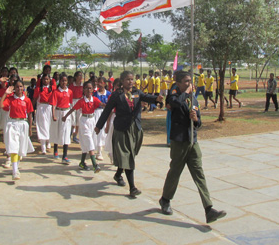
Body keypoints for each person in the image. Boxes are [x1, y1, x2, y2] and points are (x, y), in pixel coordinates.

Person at [158, 71, 227, 223]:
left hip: (192, 141)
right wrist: (186, 94)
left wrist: (195, 119)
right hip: (179, 141)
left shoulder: (193, 99)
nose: (189, 84)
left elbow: (199, 123)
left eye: (190, 81)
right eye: (186, 81)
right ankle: (165, 199)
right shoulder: (174, 96)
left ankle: (209, 209)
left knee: (199, 174)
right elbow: (175, 104)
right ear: (178, 83)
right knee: (175, 172)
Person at [95, 71, 163, 197]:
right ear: (122, 81)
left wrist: (157, 99)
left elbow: (147, 97)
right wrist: (99, 126)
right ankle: (132, 188)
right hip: (122, 129)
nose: (130, 81)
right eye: (127, 79)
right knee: (127, 156)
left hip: (135, 128)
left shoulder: (137, 92)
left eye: (132, 79)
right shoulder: (117, 95)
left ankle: (117, 174)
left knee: (129, 155)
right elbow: (107, 110)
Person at [62, 81, 105, 173]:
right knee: (89, 141)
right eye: (86, 88)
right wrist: (65, 116)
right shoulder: (81, 101)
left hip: (92, 120)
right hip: (84, 121)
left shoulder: (94, 99)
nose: (88, 90)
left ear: (93, 90)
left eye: (90, 88)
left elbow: (102, 104)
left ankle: (82, 162)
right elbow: (73, 109)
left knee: (88, 142)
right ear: (83, 90)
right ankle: (95, 165)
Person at [0, 79, 34, 181]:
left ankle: (16, 167)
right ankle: (14, 171)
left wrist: (30, 128)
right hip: (12, 124)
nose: (19, 88)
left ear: (23, 88)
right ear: (14, 88)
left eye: (21, 86)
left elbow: (30, 114)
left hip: (23, 124)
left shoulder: (27, 100)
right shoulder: (10, 99)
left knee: (20, 149)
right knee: (13, 147)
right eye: (17, 87)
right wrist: (5, 94)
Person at [50, 74, 73, 164]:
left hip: (66, 113)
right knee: (57, 131)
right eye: (62, 81)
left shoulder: (70, 92)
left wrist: (69, 115)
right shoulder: (56, 92)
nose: (64, 82)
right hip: (58, 112)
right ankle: (55, 149)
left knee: (66, 133)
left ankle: (65, 155)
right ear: (59, 81)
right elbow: (53, 104)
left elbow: (70, 104)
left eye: (65, 81)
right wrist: (53, 115)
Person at [33, 73, 54, 154]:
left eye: (47, 79)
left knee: (49, 125)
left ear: (49, 80)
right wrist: (31, 109)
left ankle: (48, 141)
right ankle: (43, 147)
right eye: (44, 79)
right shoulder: (38, 89)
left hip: (50, 108)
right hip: (41, 108)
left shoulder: (53, 89)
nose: (45, 81)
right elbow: (35, 99)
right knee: (42, 126)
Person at [93, 77, 112, 160]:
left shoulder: (109, 94)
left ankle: (110, 151)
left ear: (105, 83)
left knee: (107, 132)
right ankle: (99, 151)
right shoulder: (95, 94)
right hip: (97, 113)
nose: (99, 84)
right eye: (98, 82)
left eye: (101, 82)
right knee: (99, 132)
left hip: (106, 113)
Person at [69, 71, 84, 143]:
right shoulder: (71, 86)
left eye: (81, 75)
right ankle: (70, 134)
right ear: (75, 77)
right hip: (73, 102)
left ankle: (75, 136)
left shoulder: (83, 85)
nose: (81, 77)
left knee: (79, 119)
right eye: (79, 75)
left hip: (80, 102)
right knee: (72, 119)